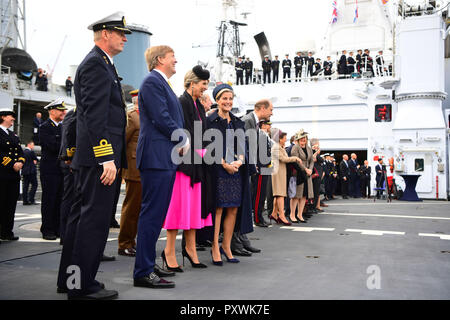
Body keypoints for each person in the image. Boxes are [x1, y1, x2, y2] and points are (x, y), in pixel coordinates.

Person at [58, 12, 131, 300]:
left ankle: (70, 281)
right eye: (120, 33)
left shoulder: (101, 64)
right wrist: (106, 158)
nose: (125, 38)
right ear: (105, 34)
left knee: (80, 219)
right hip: (98, 160)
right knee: (93, 221)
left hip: (91, 159)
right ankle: (82, 286)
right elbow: (94, 116)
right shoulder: (95, 66)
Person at [133, 45, 187, 289]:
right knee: (152, 215)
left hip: (163, 156)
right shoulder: (152, 82)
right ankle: (143, 271)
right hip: (156, 157)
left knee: (156, 215)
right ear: (160, 59)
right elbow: (161, 117)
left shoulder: (161, 83)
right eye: (172, 56)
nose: (176, 60)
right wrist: (182, 138)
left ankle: (147, 263)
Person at [161, 66, 213, 271]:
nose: (204, 89)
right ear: (192, 83)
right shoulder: (181, 102)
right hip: (184, 162)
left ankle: (190, 248)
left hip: (198, 162)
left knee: (193, 209)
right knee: (178, 208)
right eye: (203, 85)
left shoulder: (198, 105)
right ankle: (168, 250)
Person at [207, 83, 254, 265]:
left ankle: (226, 246)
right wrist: (224, 164)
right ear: (217, 100)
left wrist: (240, 161)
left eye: (230, 98)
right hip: (218, 170)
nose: (227, 102)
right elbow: (208, 147)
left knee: (233, 209)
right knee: (218, 209)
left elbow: (242, 147)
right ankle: (214, 247)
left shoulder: (237, 122)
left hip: (235, 170)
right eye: (224, 98)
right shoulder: (209, 121)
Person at [241, 99, 273, 231]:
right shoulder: (248, 120)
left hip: (257, 164)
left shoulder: (254, 123)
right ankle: (255, 219)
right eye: (271, 110)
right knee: (253, 194)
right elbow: (245, 144)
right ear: (262, 108)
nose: (272, 113)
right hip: (249, 165)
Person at [39, 99, 67, 240]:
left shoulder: (63, 127)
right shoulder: (45, 127)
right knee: (49, 200)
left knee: (60, 200)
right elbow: (53, 146)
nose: (64, 112)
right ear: (52, 111)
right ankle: (47, 229)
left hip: (61, 168)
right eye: (61, 110)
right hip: (50, 169)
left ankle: (57, 228)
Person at [118, 90, 141, 257]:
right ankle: (125, 243)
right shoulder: (132, 116)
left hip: (146, 168)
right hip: (133, 169)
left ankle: (133, 241)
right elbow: (121, 142)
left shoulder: (147, 116)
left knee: (140, 209)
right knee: (131, 208)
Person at [0, 109, 24, 242]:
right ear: (3, 117)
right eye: (11, 116)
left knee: (10, 204)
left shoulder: (13, 135)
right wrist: (12, 164)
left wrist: (20, 161)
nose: (13, 119)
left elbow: (20, 151)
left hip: (13, 176)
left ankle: (6, 232)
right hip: (2, 174)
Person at [270, 129, 301, 226]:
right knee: (280, 195)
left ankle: (274, 214)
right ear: (280, 139)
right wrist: (295, 158)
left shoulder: (280, 147)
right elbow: (283, 159)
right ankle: (281, 216)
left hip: (281, 172)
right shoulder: (276, 147)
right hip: (277, 172)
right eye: (284, 138)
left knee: (279, 194)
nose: (286, 139)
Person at [58, 108, 77, 244]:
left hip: (78, 163)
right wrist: (70, 159)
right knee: (69, 199)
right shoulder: (73, 112)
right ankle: (65, 235)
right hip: (72, 163)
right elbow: (67, 136)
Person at [290, 130, 314, 223]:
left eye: (305, 138)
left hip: (308, 174)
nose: (303, 140)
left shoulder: (308, 148)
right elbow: (296, 161)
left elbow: (311, 160)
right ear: (298, 140)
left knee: (304, 195)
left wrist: (310, 169)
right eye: (301, 139)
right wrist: (306, 169)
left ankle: (300, 215)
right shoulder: (295, 148)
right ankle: (292, 215)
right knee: (296, 195)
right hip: (299, 173)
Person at [22, 141, 38, 205]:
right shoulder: (31, 152)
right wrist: (35, 160)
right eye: (32, 145)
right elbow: (36, 159)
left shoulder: (23, 152)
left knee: (25, 186)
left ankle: (25, 200)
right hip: (31, 171)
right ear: (29, 145)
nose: (33, 146)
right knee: (35, 185)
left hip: (25, 171)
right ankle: (31, 198)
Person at [310, 138, 324, 212]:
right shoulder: (312, 151)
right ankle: (313, 207)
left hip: (318, 173)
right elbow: (321, 160)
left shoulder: (314, 151)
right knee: (315, 191)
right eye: (317, 144)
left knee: (317, 191)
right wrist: (317, 153)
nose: (318, 145)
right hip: (315, 173)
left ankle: (316, 206)